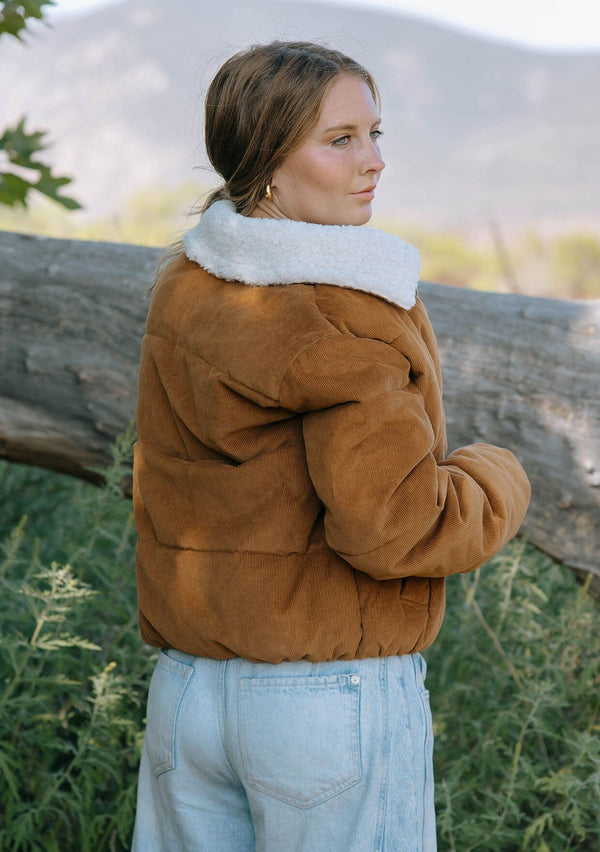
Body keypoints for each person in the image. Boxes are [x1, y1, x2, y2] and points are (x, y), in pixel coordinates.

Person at [131, 40, 531, 852]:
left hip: (188, 696)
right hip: (326, 706)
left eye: (376, 134)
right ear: (269, 161)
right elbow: (398, 527)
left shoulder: (190, 283)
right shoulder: (341, 307)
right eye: (340, 140)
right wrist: (500, 476)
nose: (374, 161)